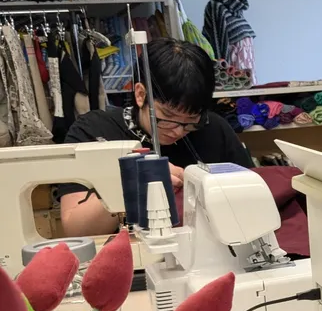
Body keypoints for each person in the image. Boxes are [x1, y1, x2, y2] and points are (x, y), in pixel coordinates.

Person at [59, 38, 253, 237]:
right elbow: (75, 229)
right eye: (167, 117)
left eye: (191, 120)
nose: (177, 131)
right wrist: (132, 185)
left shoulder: (215, 129)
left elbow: (252, 201)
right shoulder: (94, 131)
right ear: (140, 94)